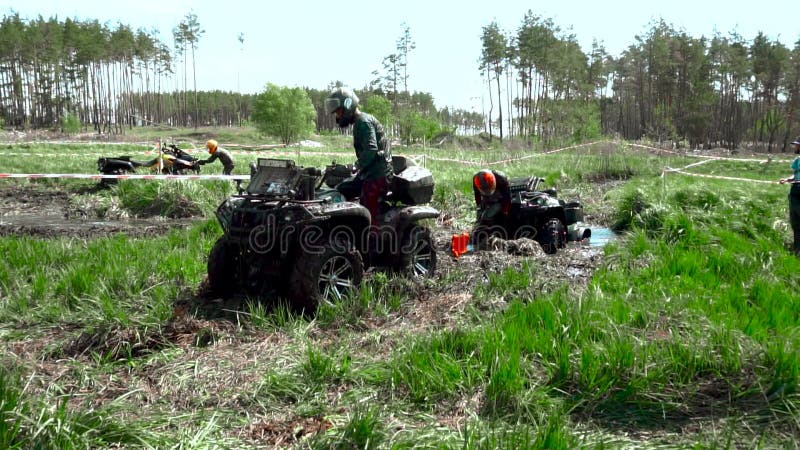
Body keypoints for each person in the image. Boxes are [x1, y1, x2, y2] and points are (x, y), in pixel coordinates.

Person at [325, 87, 392, 239]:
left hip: (378, 175)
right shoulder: (359, 122)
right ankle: (345, 229)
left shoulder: (363, 121)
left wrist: (356, 165)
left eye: (339, 112)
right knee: (342, 188)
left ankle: (371, 245)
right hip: (369, 173)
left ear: (348, 106)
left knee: (367, 210)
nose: (337, 116)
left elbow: (371, 149)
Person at [780, 138, 800, 255]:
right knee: (796, 223)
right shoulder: (797, 160)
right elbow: (795, 175)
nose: (795, 148)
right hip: (795, 192)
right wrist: (787, 179)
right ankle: (797, 249)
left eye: (797, 145)